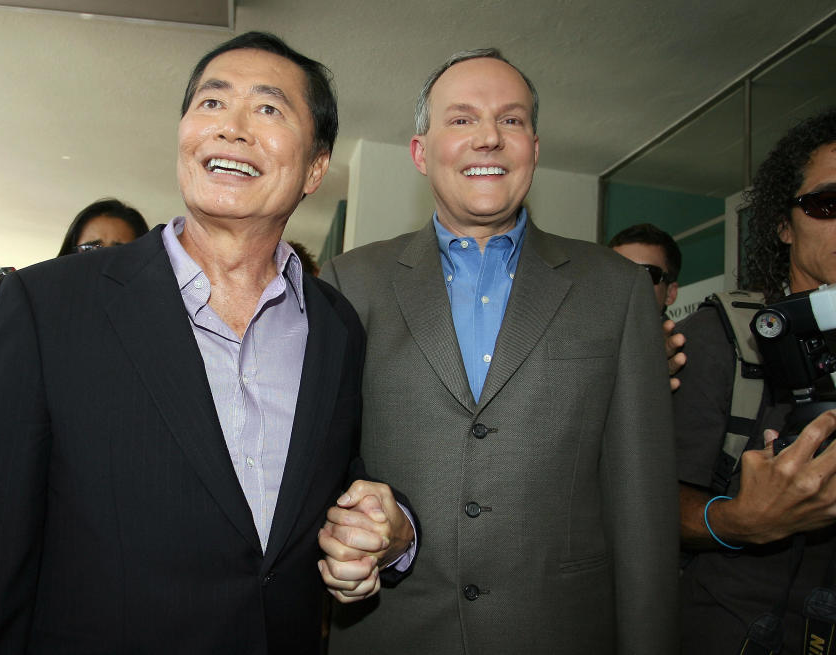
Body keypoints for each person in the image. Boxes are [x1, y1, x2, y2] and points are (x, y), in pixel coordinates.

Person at [0, 32, 409, 654]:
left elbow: (341, 492)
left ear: (315, 166)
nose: (231, 127)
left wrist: (382, 538)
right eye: (211, 103)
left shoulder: (338, 327)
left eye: (268, 108)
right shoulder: (51, 306)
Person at [319, 48, 678, 653]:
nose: (488, 137)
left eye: (510, 120)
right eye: (461, 119)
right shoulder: (348, 284)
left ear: (534, 149)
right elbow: (320, 469)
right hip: (395, 631)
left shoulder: (615, 289)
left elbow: (641, 509)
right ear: (420, 151)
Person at [676, 108, 836, 654]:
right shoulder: (722, 337)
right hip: (735, 629)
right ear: (784, 225)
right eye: (828, 205)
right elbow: (647, 504)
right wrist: (741, 521)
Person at [0, 198, 149, 434]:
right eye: (90, 249)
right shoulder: (35, 328)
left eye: (120, 251)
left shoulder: (154, 341)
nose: (103, 261)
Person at [609, 222, 686, 390]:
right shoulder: (575, 342)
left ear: (670, 293)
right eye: (617, 272)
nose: (628, 285)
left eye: (646, 275)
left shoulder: (685, 359)